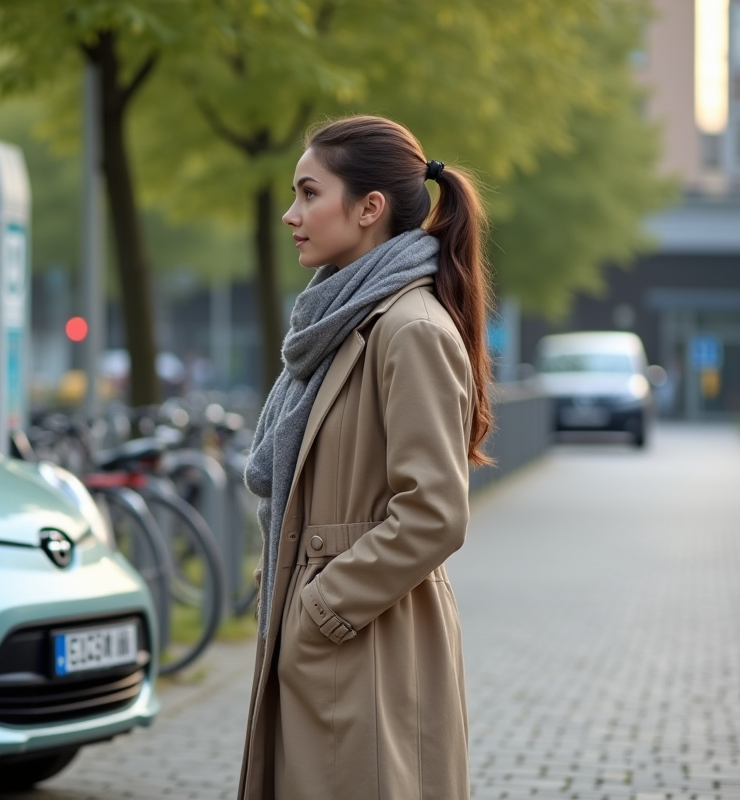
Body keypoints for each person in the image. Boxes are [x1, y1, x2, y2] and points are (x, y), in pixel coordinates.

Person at [239, 115, 494, 800]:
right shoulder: (339, 320)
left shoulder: (408, 329)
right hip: (336, 642)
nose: (291, 215)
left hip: (370, 644)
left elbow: (435, 514)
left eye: (308, 193)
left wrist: (322, 609)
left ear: (369, 208)